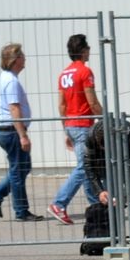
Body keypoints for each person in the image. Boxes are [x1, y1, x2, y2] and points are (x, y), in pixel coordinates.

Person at [0, 42, 42, 221]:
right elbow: (14, 109)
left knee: (22, 168)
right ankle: (21, 211)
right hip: (12, 131)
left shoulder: (5, 78)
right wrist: (23, 135)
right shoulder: (10, 81)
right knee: (18, 171)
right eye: (22, 56)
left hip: (9, 130)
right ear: (15, 59)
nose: (25, 58)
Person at [49, 33, 101, 225]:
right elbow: (92, 102)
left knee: (89, 166)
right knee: (84, 167)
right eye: (88, 47)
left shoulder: (64, 74)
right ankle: (59, 203)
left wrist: (66, 128)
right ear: (83, 50)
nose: (90, 51)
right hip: (83, 124)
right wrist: (105, 119)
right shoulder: (85, 72)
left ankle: (96, 204)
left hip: (71, 123)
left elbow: (61, 105)